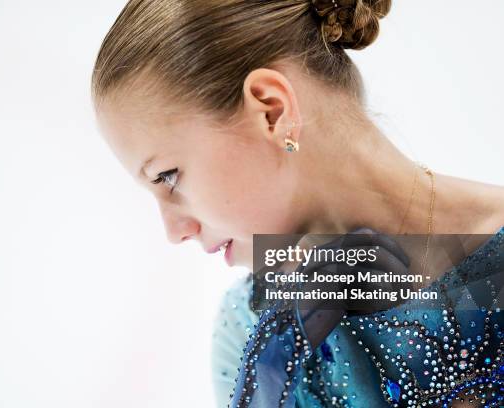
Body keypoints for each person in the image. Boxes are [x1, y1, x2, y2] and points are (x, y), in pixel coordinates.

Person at [91, 1, 504, 406]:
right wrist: (272, 370)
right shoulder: (250, 326)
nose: (173, 231)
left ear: (272, 111)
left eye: (168, 176)